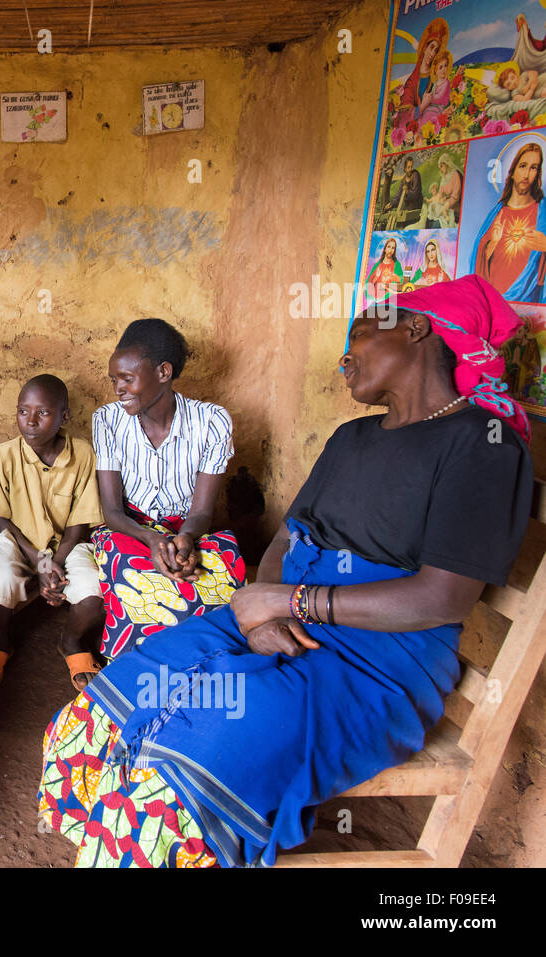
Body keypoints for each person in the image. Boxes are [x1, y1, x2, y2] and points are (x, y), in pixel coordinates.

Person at [39, 275, 532, 868]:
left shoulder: (482, 442)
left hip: (374, 657)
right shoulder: (352, 438)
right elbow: (288, 536)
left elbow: (441, 598)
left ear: (416, 328)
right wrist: (259, 610)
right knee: (107, 707)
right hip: (279, 612)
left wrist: (288, 604)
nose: (344, 361)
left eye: (358, 339)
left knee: (187, 756)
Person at [89, 318, 245, 660]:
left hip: (188, 528)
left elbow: (202, 511)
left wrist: (185, 540)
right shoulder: (107, 420)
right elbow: (112, 511)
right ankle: (143, 667)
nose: (119, 389)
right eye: (114, 380)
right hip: (130, 530)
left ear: (163, 372)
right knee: (132, 569)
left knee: (217, 570)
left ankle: (200, 661)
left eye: (128, 379)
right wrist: (152, 539)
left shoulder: (212, 422)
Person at [0, 374, 105, 692]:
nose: (30, 421)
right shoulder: (3, 456)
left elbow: (78, 524)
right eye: (23, 411)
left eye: (43, 412)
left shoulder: (83, 455)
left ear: (64, 416)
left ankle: (70, 641)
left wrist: (54, 563)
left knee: (93, 590)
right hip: (17, 543)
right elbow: (1, 522)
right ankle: (0, 643)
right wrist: (41, 564)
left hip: (67, 546)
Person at [470, 140, 546, 302]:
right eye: (523, 166)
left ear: (538, 173)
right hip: (494, 301)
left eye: (534, 168)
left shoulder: (542, 212)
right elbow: (478, 265)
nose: (526, 175)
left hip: (529, 301)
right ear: (512, 171)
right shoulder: (497, 214)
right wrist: (491, 245)